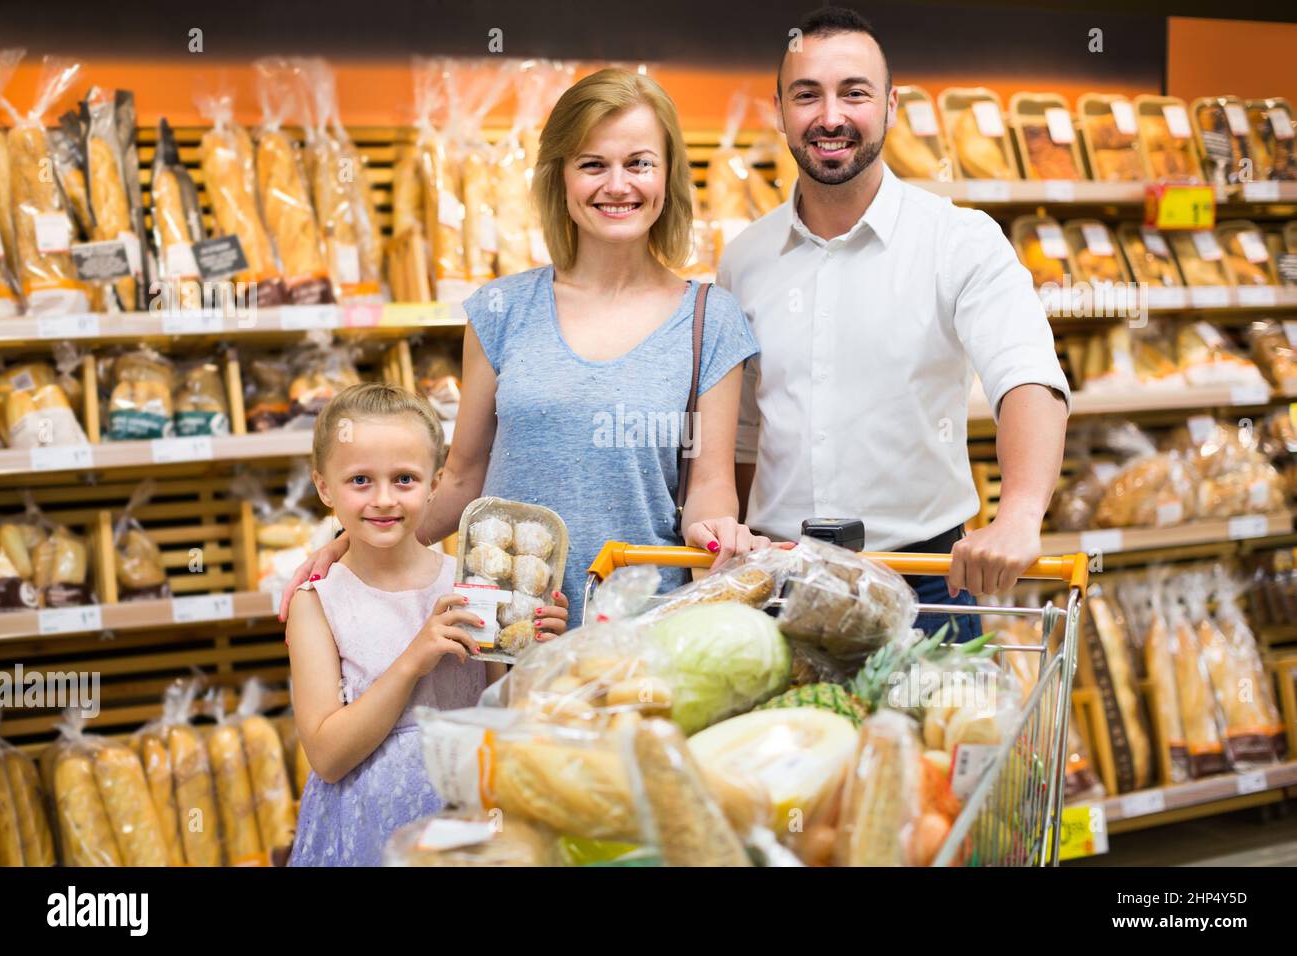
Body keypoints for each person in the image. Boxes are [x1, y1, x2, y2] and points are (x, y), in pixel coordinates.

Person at [280, 69, 769, 627]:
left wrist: (716, 540)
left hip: (644, 634)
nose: (618, 185)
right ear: (560, 177)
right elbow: (464, 478)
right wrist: (347, 548)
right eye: (592, 164)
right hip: (509, 631)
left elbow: (708, 487)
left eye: (639, 163)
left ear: (668, 174)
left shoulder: (710, 317)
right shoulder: (500, 309)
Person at [722, 8, 1071, 638]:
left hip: (926, 579)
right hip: (779, 581)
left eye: (854, 93)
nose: (831, 117)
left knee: (935, 738)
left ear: (890, 106)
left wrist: (1020, 514)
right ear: (779, 110)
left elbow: (1026, 375)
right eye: (808, 95)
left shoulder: (960, 240)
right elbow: (744, 431)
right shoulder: (744, 259)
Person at [286, 383, 569, 866]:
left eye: (404, 479)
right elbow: (328, 757)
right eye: (359, 481)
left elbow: (497, 714)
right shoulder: (317, 602)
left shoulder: (473, 584)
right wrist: (412, 661)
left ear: (435, 484)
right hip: (366, 831)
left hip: (469, 822)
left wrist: (535, 654)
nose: (383, 499)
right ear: (323, 486)